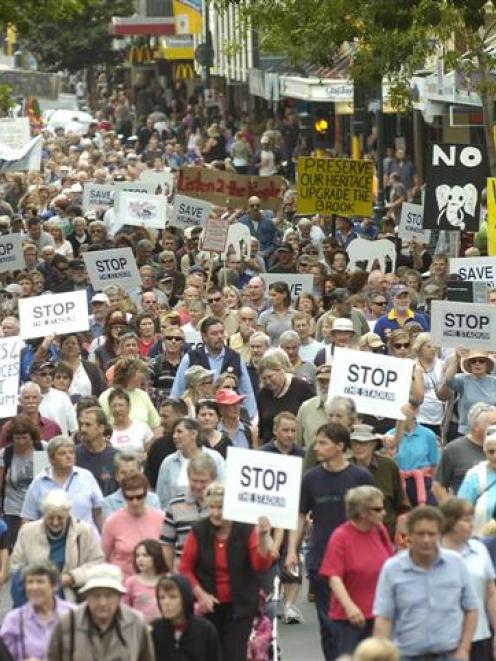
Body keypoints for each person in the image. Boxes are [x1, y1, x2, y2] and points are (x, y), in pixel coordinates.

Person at [286, 423, 373, 661]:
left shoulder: (361, 477)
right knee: (328, 622)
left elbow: (374, 517)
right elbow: (301, 514)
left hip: (355, 562)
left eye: (323, 442)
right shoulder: (311, 478)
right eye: (317, 441)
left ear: (340, 446)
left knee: (354, 619)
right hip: (321, 560)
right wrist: (292, 550)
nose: (317, 446)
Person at [180, 482, 274, 661]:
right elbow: (185, 568)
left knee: (233, 654)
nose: (215, 513)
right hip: (208, 607)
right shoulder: (199, 530)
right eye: (212, 507)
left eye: (221, 507)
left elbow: (260, 565)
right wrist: (201, 595)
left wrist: (262, 537)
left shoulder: (246, 529)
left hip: (240, 607)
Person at [373, 506, 479, 661]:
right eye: (420, 534)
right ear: (409, 535)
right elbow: (384, 618)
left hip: (450, 655)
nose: (426, 540)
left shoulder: (456, 564)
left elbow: (471, 609)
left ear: (440, 534)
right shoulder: (392, 569)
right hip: (406, 656)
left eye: (432, 534)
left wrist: (464, 649)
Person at [320, 486, 394, 657]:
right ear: (361, 513)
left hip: (379, 615)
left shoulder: (379, 530)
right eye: (378, 509)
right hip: (350, 621)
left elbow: (392, 565)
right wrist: (350, 608)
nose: (383, 513)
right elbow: (333, 577)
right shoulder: (341, 537)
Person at [47, 562, 155, 661]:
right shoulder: (68, 622)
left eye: (108, 595)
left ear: (119, 596)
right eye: (96, 595)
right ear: (87, 596)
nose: (102, 602)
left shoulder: (135, 622)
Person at [11, 490, 104, 603]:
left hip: (71, 598)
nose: (55, 522)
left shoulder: (85, 531)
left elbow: (97, 563)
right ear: (44, 514)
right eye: (50, 517)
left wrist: (72, 577)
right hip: (32, 597)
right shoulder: (27, 531)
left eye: (60, 518)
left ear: (68, 515)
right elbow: (16, 566)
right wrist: (38, 581)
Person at [440, 497, 496, 661]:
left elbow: (491, 593)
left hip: (480, 635)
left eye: (472, 519)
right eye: (466, 520)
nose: (472, 524)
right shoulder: (434, 554)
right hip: (443, 639)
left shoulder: (480, 549)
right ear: (450, 522)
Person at [171, 316, 257, 419]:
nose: (220, 336)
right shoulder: (190, 358)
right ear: (204, 336)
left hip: (228, 415)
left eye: (221, 332)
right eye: (214, 334)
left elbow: (247, 392)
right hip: (200, 418)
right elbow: (177, 391)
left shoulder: (235, 358)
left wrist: (251, 419)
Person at [21, 435, 103, 530]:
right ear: (51, 459)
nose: (68, 456)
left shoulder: (86, 476)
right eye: (62, 453)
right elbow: (28, 518)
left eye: (71, 452)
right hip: (50, 540)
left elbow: (99, 511)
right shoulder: (39, 482)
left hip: (85, 539)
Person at [1, 560, 74, 661]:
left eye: (40, 581)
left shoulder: (73, 614)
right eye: (30, 582)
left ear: (54, 586)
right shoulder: (14, 620)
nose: (34, 587)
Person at [349, 425, 409, 539]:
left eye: (364, 443)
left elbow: (402, 505)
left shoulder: (388, 466)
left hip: (386, 536)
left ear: (374, 444)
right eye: (355, 442)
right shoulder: (344, 468)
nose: (359, 447)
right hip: (352, 536)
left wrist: (401, 537)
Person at [101, 472, 164, 579]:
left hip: (153, 581)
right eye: (130, 498)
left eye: (139, 497)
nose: (135, 502)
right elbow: (103, 557)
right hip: (122, 581)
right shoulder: (112, 521)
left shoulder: (161, 519)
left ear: (146, 494)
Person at [161, 453, 216, 571]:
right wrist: (169, 574)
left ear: (213, 480)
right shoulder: (175, 504)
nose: (198, 486)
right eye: (194, 480)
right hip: (183, 574)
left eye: (203, 481)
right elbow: (167, 544)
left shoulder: (222, 506)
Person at [156, 417, 225, 510]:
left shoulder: (215, 458)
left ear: (194, 434)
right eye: (174, 433)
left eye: (179, 432)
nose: (174, 436)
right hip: (178, 518)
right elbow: (162, 498)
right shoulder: (168, 462)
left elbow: (223, 489)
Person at [433, 403, 496, 502]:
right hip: (466, 511)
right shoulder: (454, 450)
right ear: (476, 426)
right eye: (493, 424)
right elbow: (437, 486)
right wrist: (451, 511)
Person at [151, 573, 222, 660]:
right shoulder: (154, 630)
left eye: (173, 597)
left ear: (185, 598)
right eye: (162, 598)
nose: (166, 602)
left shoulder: (206, 630)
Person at [0, 415, 44, 549]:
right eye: (17, 438)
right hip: (13, 510)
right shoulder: (6, 453)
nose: (21, 442)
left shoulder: (43, 449)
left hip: (38, 510)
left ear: (32, 437)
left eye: (25, 438)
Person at [256, 351, 315, 444]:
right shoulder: (263, 394)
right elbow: (261, 427)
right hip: (270, 447)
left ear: (281, 371)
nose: (267, 381)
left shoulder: (301, 387)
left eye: (270, 376)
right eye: (264, 378)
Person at [438, 349, 496, 435]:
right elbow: (449, 380)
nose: (477, 363)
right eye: (473, 361)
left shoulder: (494, 381)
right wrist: (456, 358)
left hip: (489, 432)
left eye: (481, 361)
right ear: (470, 365)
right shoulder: (463, 380)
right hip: (466, 432)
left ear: (487, 364)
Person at [99, 356, 160, 430]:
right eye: (140, 372)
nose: (144, 376)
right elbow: (102, 426)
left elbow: (156, 425)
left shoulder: (143, 395)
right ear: (130, 374)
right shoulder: (106, 396)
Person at [458, 425, 496, 534]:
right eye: (491, 451)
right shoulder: (475, 475)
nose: (495, 455)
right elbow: (461, 510)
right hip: (481, 540)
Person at [144, 398, 188, 490]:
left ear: (181, 416)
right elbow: (149, 482)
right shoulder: (158, 446)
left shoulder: (201, 443)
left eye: (166, 417)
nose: (161, 422)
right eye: (161, 416)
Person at [76, 406, 118, 496]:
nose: (83, 429)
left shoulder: (116, 457)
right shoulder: (73, 455)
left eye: (88, 425)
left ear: (101, 428)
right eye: (81, 424)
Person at [123, 539, 168, 623]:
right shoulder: (131, 582)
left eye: (145, 555)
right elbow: (125, 610)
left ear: (156, 557)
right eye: (138, 556)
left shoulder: (167, 581)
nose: (140, 559)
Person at [29, 360, 78, 436]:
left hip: (61, 445)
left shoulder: (63, 397)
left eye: (51, 374)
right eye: (43, 374)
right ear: (33, 376)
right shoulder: (27, 400)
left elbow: (74, 429)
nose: (48, 377)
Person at [108, 387, 153, 455]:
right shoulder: (107, 431)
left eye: (121, 405)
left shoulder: (142, 427)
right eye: (114, 406)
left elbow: (151, 454)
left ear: (129, 407)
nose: (117, 409)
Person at [59, 334, 106, 398]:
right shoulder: (56, 368)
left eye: (73, 343)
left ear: (80, 348)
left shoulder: (92, 368)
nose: (70, 346)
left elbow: (100, 390)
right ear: (61, 348)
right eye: (66, 343)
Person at [258, 281, 296, 346]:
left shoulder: (295, 315)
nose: (270, 298)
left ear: (284, 294)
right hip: (270, 353)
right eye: (269, 295)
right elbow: (260, 339)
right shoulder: (264, 316)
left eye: (274, 295)